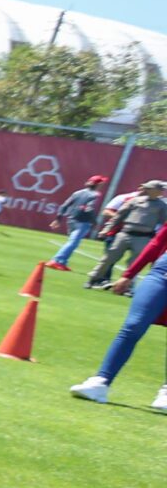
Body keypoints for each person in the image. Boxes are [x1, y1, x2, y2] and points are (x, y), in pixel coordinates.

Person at [69, 224, 167, 412]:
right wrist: (129, 274)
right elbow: (157, 243)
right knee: (133, 325)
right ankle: (101, 382)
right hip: (161, 275)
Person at [86, 180, 167, 289]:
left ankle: (126, 287)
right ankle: (93, 280)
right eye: (159, 189)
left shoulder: (162, 205)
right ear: (150, 189)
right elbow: (118, 216)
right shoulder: (135, 201)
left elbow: (163, 223)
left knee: (134, 263)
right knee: (108, 259)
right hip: (125, 234)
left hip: (144, 237)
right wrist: (106, 229)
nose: (162, 192)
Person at [51, 175, 106, 267]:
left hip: (71, 220)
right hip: (83, 222)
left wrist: (58, 219)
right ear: (98, 184)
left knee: (71, 242)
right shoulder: (95, 195)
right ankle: (57, 261)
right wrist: (95, 222)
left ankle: (62, 262)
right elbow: (89, 209)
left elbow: (64, 206)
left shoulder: (77, 193)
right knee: (73, 243)